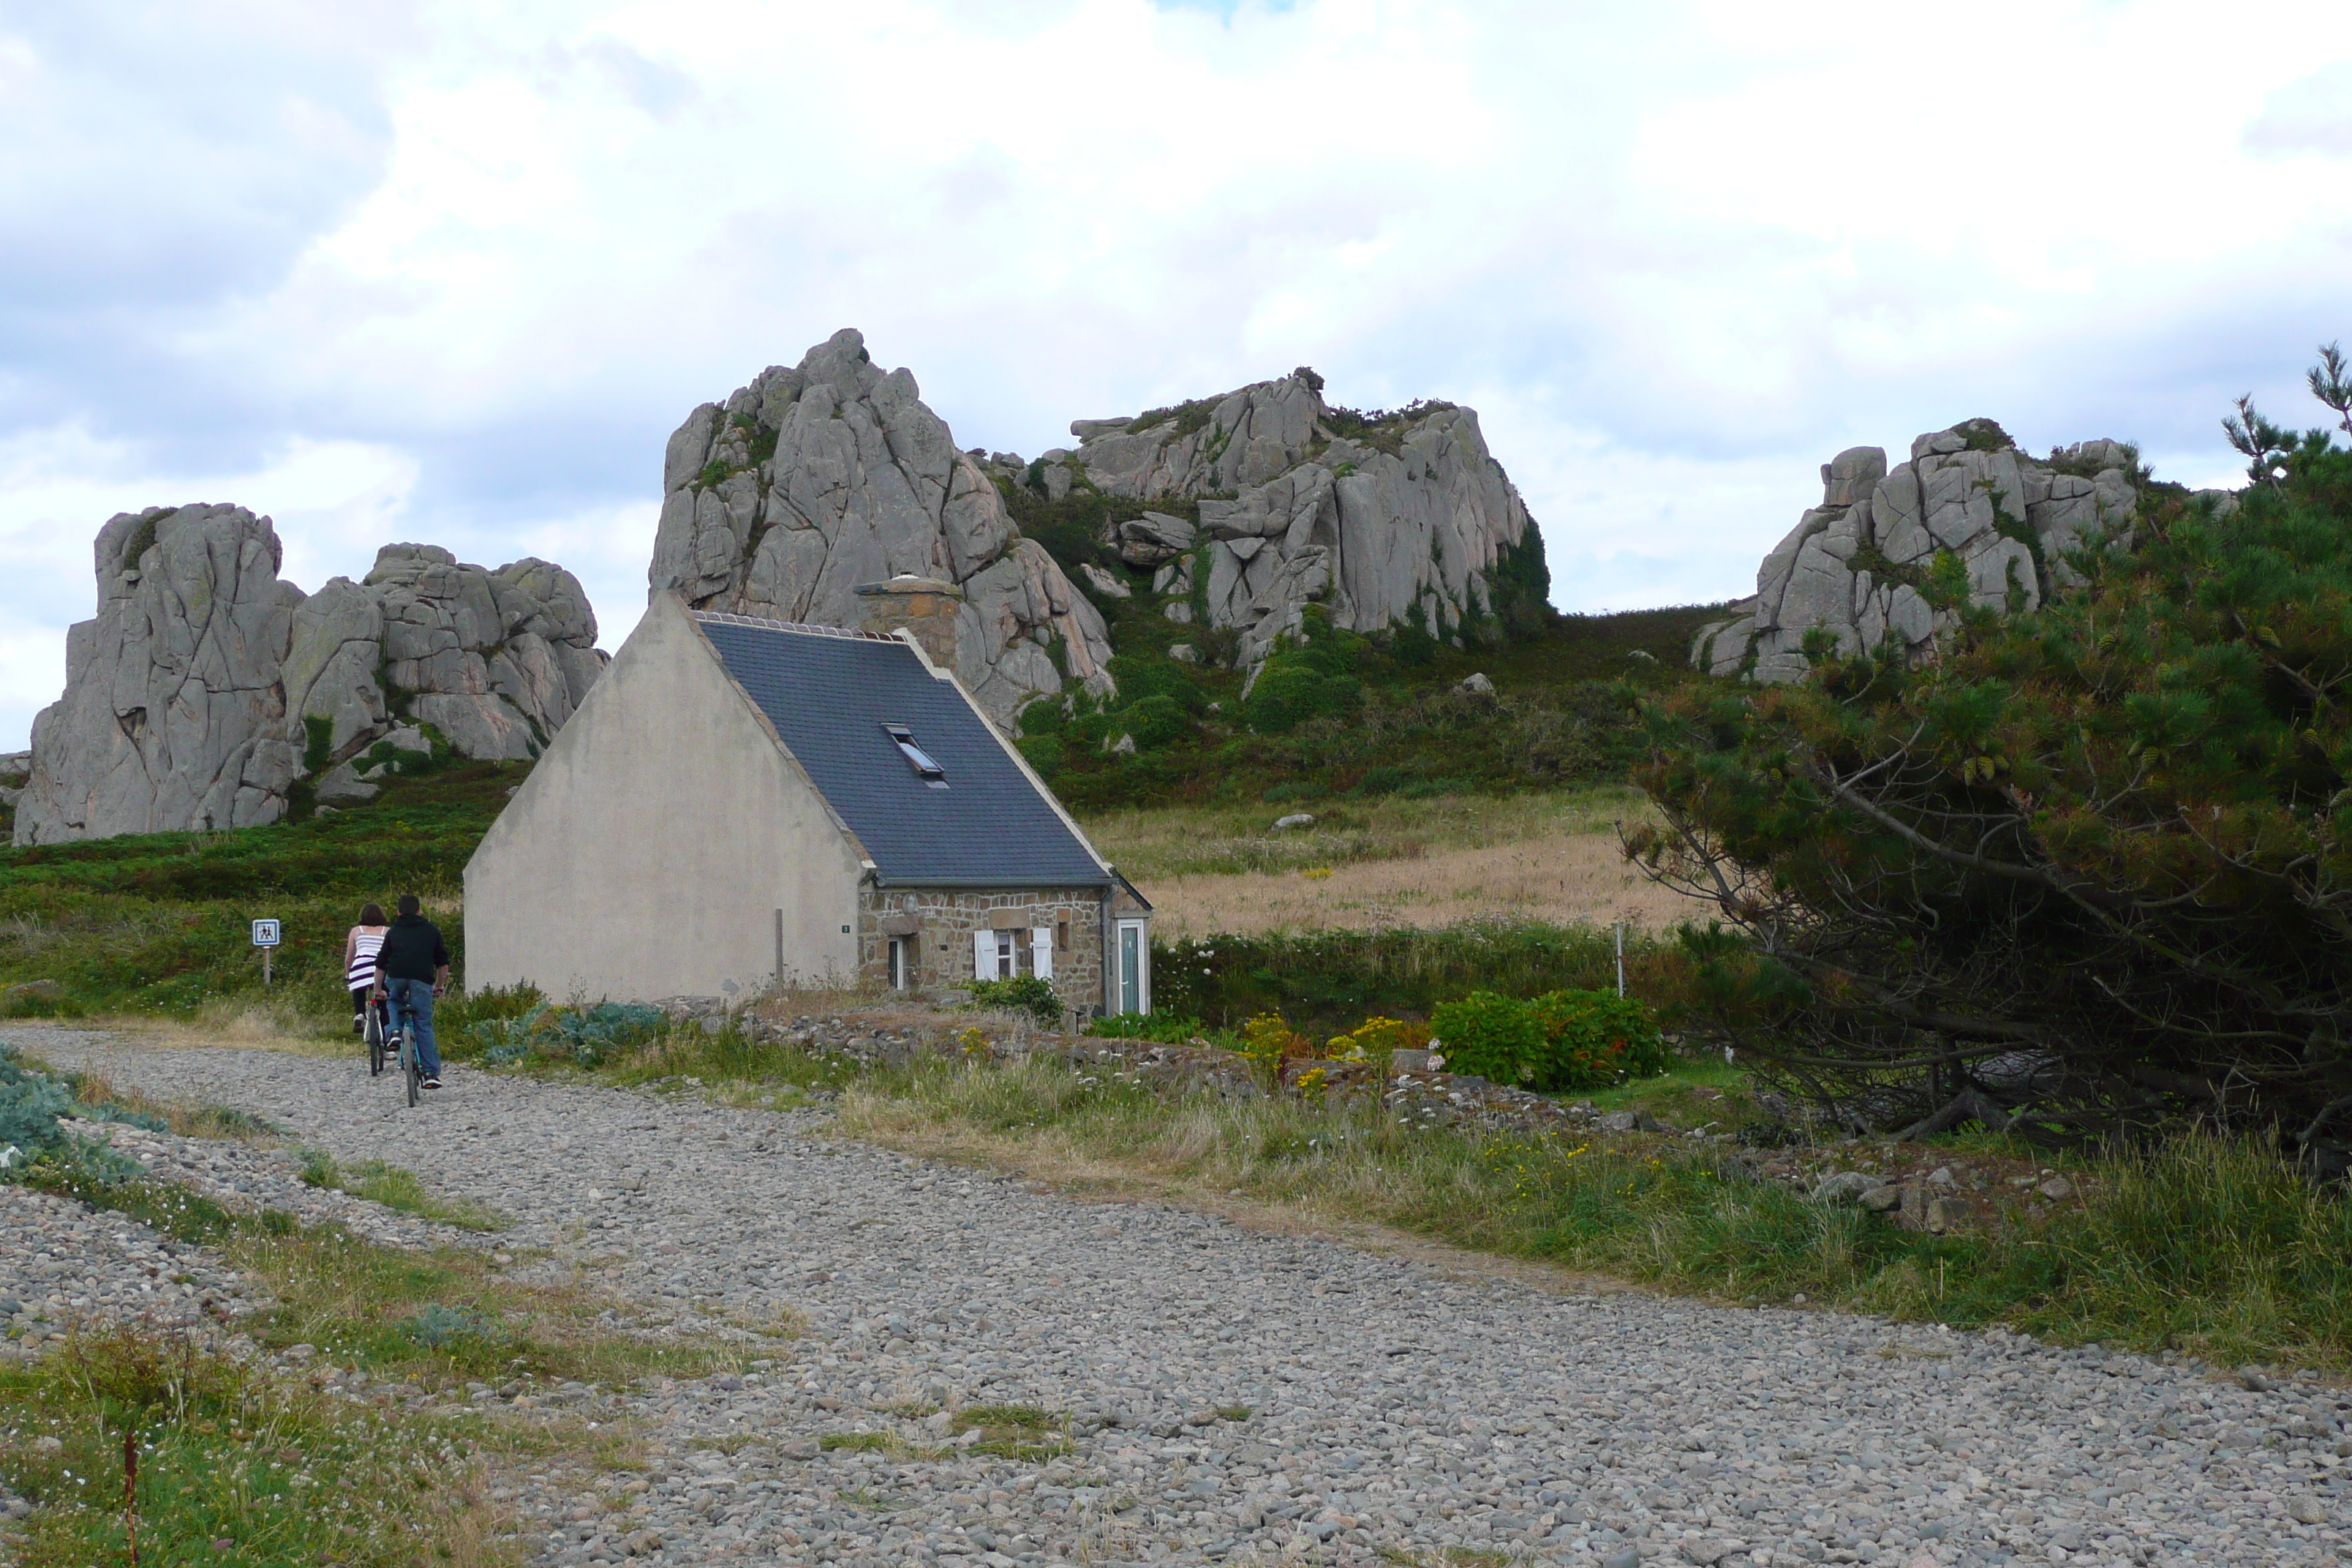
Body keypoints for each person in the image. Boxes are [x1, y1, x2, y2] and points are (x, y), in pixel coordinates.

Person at [374, 893, 451, 1089]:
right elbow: (443, 964)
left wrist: (378, 990)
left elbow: (381, 964)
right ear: (419, 910)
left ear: (398, 912)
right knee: (423, 1024)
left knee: (393, 1000)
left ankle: (395, 1032)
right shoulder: (431, 930)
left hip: (397, 976)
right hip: (422, 979)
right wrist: (439, 986)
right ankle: (430, 1073)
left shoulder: (393, 932)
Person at [343, 903, 390, 1036]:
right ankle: (387, 1039)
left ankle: (360, 1014)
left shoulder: (356, 931)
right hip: (381, 966)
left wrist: (348, 975)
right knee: (383, 999)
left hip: (361, 964)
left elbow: (349, 958)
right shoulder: (387, 931)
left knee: (358, 986)